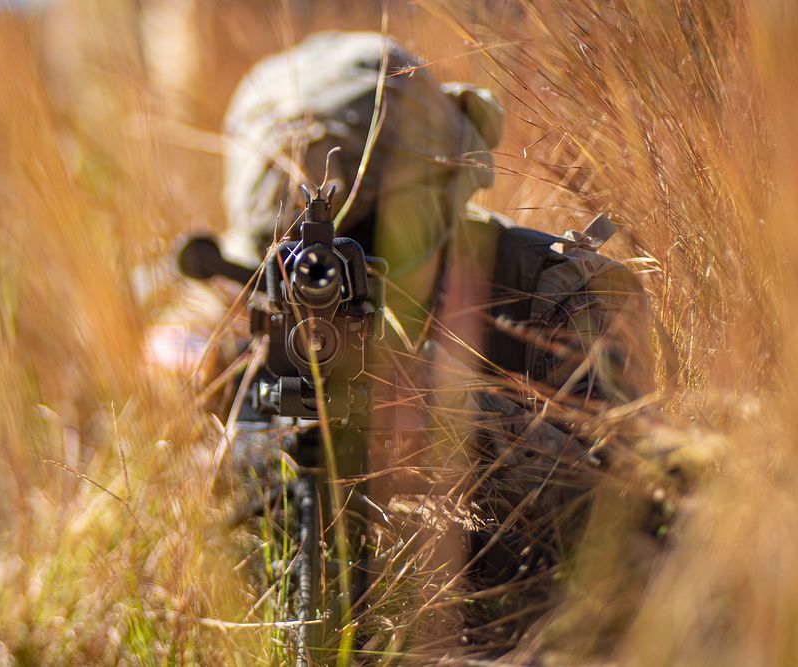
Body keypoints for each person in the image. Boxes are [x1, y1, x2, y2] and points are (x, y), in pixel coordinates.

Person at [205, 30, 659, 631]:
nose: (331, 286)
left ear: (437, 201)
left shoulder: (559, 296)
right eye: (298, 268)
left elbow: (630, 517)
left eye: (364, 243)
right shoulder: (278, 325)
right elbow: (231, 527)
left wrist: (439, 417)